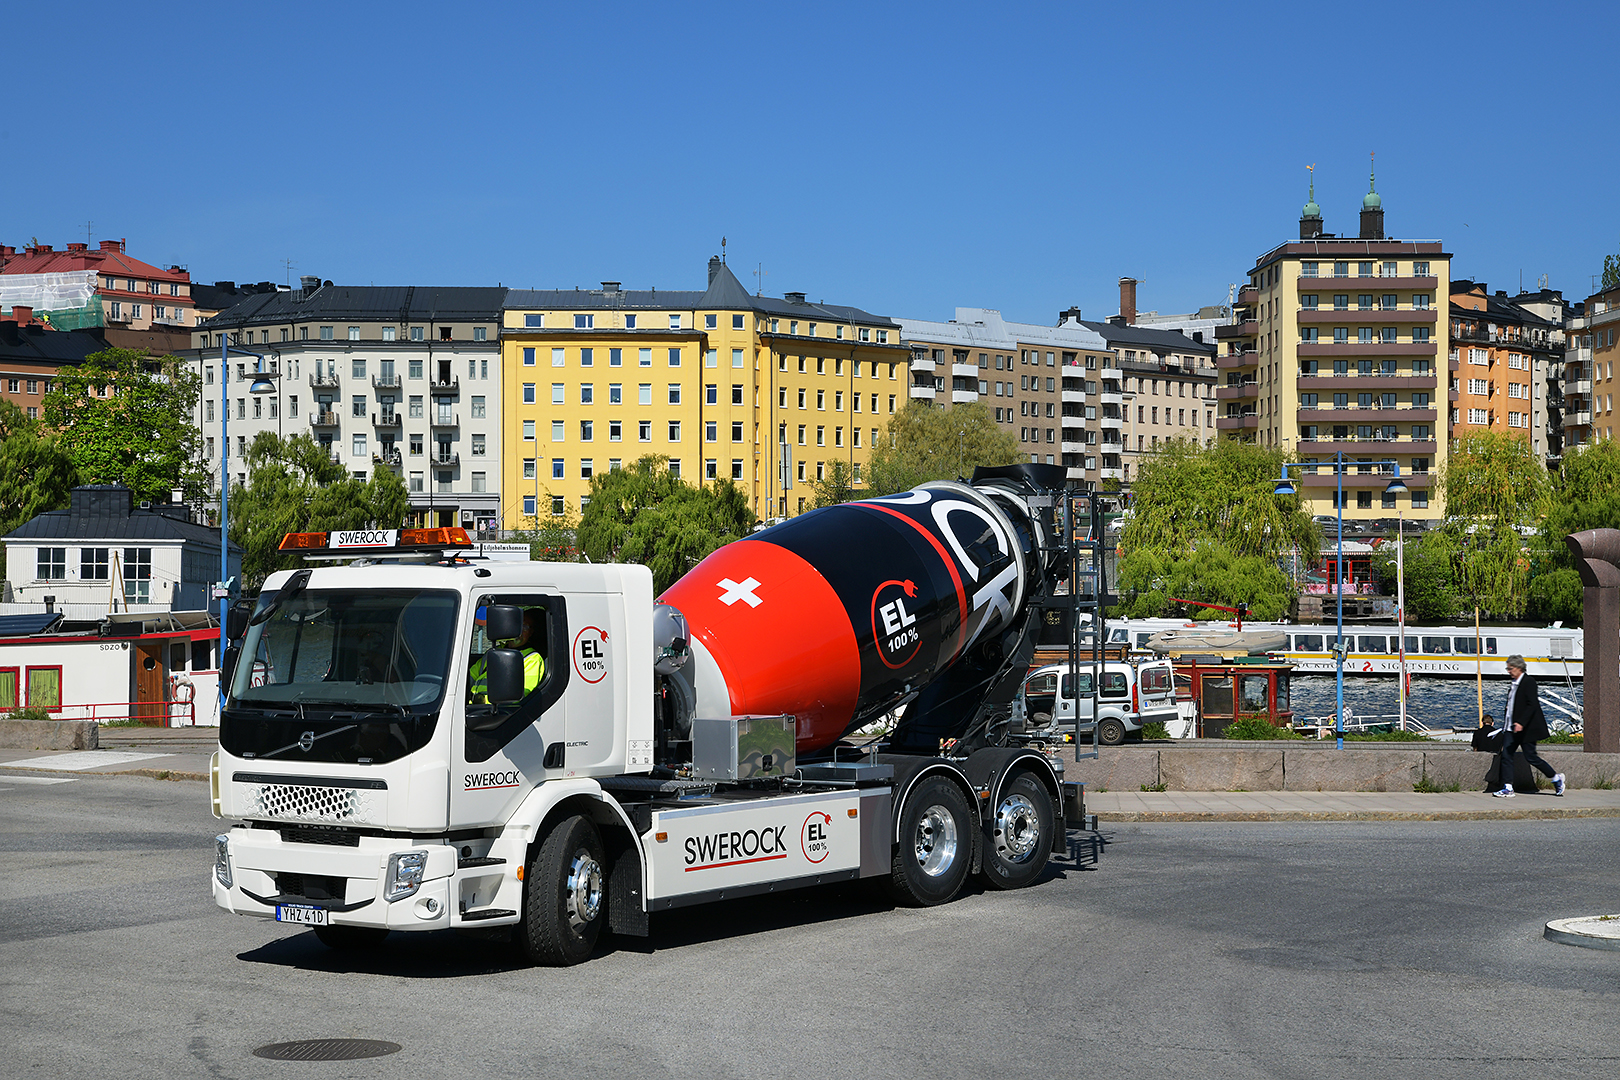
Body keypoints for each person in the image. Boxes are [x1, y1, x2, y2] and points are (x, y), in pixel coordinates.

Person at [1493, 655, 1564, 798]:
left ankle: (1556, 778)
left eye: (1510, 668)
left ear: (1519, 668)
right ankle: (1508, 787)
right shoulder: (1513, 683)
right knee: (1506, 755)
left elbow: (1532, 705)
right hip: (1510, 728)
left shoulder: (1528, 682)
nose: (1508, 671)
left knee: (1531, 757)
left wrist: (1521, 722)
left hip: (1525, 729)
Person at [468, 609, 545, 703]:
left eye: (524, 627)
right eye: (517, 624)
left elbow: (521, 693)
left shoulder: (533, 658)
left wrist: (484, 701)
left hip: (495, 711)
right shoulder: (492, 652)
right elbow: (469, 678)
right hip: (473, 707)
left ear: (531, 633)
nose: (519, 631)